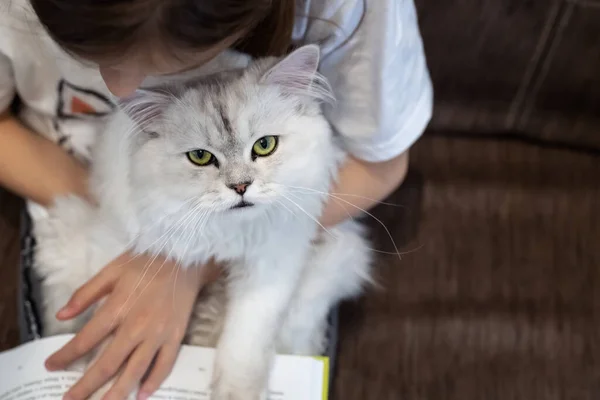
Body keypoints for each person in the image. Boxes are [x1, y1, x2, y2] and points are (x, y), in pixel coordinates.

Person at [0, 0, 433, 399]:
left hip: (276, 222)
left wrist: (187, 265)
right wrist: (153, 242)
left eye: (261, 148)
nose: (118, 86)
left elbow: (382, 164)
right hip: (79, 187)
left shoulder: (347, 9)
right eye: (87, 54)